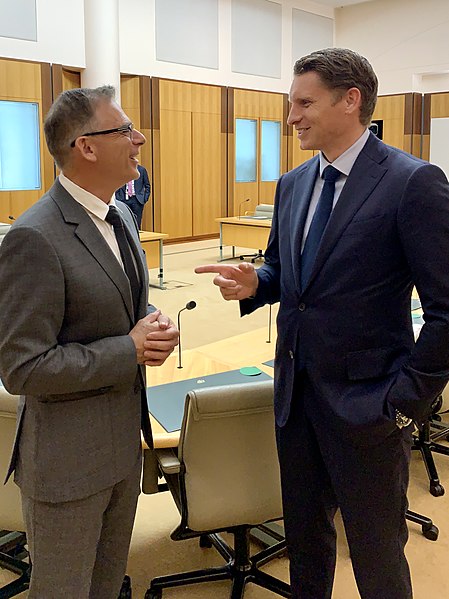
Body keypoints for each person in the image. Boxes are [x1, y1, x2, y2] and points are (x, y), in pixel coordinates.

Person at [195, 48, 449, 599]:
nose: (292, 117)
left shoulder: (413, 183)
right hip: (295, 400)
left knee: (377, 554)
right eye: (292, 104)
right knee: (305, 550)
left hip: (371, 407)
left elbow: (446, 311)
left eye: (304, 103)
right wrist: (257, 283)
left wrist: (407, 402)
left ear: (350, 100)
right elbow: (286, 272)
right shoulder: (293, 184)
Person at [0, 86, 179, 599]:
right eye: (125, 130)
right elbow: (23, 367)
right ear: (87, 146)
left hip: (123, 447)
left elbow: (121, 309)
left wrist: (154, 324)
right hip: (67, 464)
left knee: (105, 588)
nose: (139, 138)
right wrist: (131, 348)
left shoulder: (119, 215)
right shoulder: (35, 237)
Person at [115, 163, 151, 228]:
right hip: (123, 199)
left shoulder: (141, 170)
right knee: (124, 221)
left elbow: (147, 185)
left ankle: (137, 237)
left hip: (137, 200)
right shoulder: (121, 169)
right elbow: (116, 183)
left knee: (137, 222)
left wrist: (145, 198)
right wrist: (117, 197)